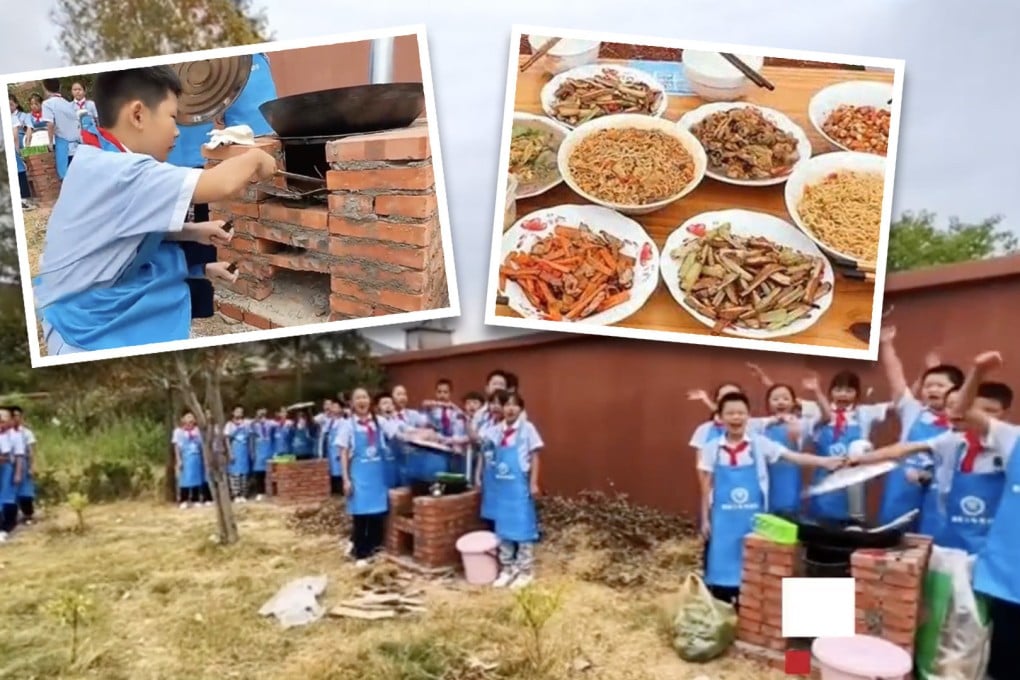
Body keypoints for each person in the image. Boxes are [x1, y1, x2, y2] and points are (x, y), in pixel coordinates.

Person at [33, 66, 277, 354]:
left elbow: (122, 236)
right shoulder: (126, 171)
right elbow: (221, 183)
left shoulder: (95, 156)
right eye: (173, 117)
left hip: (73, 306)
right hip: (84, 330)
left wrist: (194, 235)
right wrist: (257, 157)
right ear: (138, 115)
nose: (176, 131)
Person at [698, 392, 846, 604]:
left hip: (752, 520)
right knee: (720, 569)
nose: (736, 418)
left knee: (750, 568)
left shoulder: (759, 444)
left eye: (741, 413)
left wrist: (824, 462)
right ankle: (720, 604)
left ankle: (746, 609)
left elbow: (793, 456)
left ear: (749, 416)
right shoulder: (711, 448)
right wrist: (705, 519)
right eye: (730, 413)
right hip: (722, 522)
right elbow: (706, 484)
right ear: (720, 418)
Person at [849, 383, 1008, 555]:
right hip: (945, 530)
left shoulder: (1009, 447)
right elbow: (903, 448)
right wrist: (859, 459)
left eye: (991, 410)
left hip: (985, 538)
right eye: (978, 410)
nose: (983, 417)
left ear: (1004, 413)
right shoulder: (951, 440)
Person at [876, 326, 963, 527]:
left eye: (940, 385)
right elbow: (896, 379)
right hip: (904, 485)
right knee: (894, 536)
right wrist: (887, 344)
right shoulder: (912, 410)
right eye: (928, 385)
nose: (932, 389)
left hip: (940, 491)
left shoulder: (963, 421)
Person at [478, 391, 543, 588]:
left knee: (523, 526)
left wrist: (533, 483)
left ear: (521, 409)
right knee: (503, 528)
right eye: (506, 405)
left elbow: (535, 457)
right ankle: (507, 568)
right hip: (501, 487)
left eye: (515, 405)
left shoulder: (527, 429)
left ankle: (525, 570)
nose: (510, 409)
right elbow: (481, 442)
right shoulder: (495, 431)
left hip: (519, 485)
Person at [808, 371, 890, 521]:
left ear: (857, 393)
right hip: (825, 475)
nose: (843, 394)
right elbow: (792, 402)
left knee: (851, 521)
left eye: (849, 390)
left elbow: (901, 402)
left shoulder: (865, 413)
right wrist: (815, 391)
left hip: (853, 478)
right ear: (830, 391)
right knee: (821, 519)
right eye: (838, 390)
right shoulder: (818, 410)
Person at [748, 379, 821, 515]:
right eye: (775, 399)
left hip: (789, 477)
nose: (780, 402)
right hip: (766, 476)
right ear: (768, 403)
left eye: (786, 399)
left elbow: (824, 416)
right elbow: (738, 424)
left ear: (794, 402)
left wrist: (816, 392)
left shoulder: (800, 424)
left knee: (789, 515)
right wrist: (772, 420)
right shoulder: (761, 425)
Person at [337, 387, 390, 567]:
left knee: (377, 515)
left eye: (365, 397)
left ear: (370, 401)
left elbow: (397, 432)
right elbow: (343, 453)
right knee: (361, 516)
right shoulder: (347, 425)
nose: (362, 401)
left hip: (377, 476)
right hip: (359, 476)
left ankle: (374, 550)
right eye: (358, 398)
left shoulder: (379, 422)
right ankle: (360, 553)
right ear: (352, 404)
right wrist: (346, 479)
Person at [39, 78, 81, 180]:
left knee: (67, 179)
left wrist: (49, 142)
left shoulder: (47, 104)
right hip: (77, 146)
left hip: (64, 147)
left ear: (44, 88)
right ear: (60, 87)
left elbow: (50, 124)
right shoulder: (68, 103)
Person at [0, 408, 25, 542]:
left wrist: (18, 473)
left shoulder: (15, 436)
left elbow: (19, 456)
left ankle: (6, 527)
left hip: (7, 469)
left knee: (7, 498)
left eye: (3, 420)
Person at [173, 411, 207, 509]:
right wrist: (179, 460)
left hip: (196, 457)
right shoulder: (178, 432)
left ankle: (195, 498)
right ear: (183, 420)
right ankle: (184, 499)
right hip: (185, 457)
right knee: (185, 479)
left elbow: (201, 446)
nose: (189, 420)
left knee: (196, 477)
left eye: (191, 417)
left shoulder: (197, 431)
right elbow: (176, 447)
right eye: (187, 417)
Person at [9, 95, 38, 211]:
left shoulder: (23, 116)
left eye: (11, 104)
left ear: (16, 104)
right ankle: (24, 199)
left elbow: (29, 129)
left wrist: (27, 144)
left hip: (23, 143)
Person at [10, 406, 36, 524]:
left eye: (17, 416)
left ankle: (28, 515)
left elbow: (30, 451)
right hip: (9, 464)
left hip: (23, 463)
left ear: (21, 417)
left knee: (25, 491)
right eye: (13, 416)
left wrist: (31, 467)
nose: (15, 418)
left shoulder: (26, 433)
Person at [224, 406, 253, 502]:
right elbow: (227, 440)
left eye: (241, 411)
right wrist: (230, 453)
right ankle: (236, 495)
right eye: (237, 411)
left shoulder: (246, 424)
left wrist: (250, 451)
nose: (239, 413)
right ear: (233, 412)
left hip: (243, 450)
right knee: (234, 473)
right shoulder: (229, 425)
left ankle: (244, 494)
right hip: (234, 450)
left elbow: (249, 438)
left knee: (244, 473)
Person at [250, 408, 275, 501]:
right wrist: (257, 418)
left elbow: (277, 425)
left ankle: (269, 491)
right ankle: (260, 492)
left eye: (263, 414)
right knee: (259, 472)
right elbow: (251, 426)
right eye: (260, 415)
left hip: (268, 448)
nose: (262, 417)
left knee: (268, 472)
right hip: (259, 449)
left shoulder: (270, 423)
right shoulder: (255, 424)